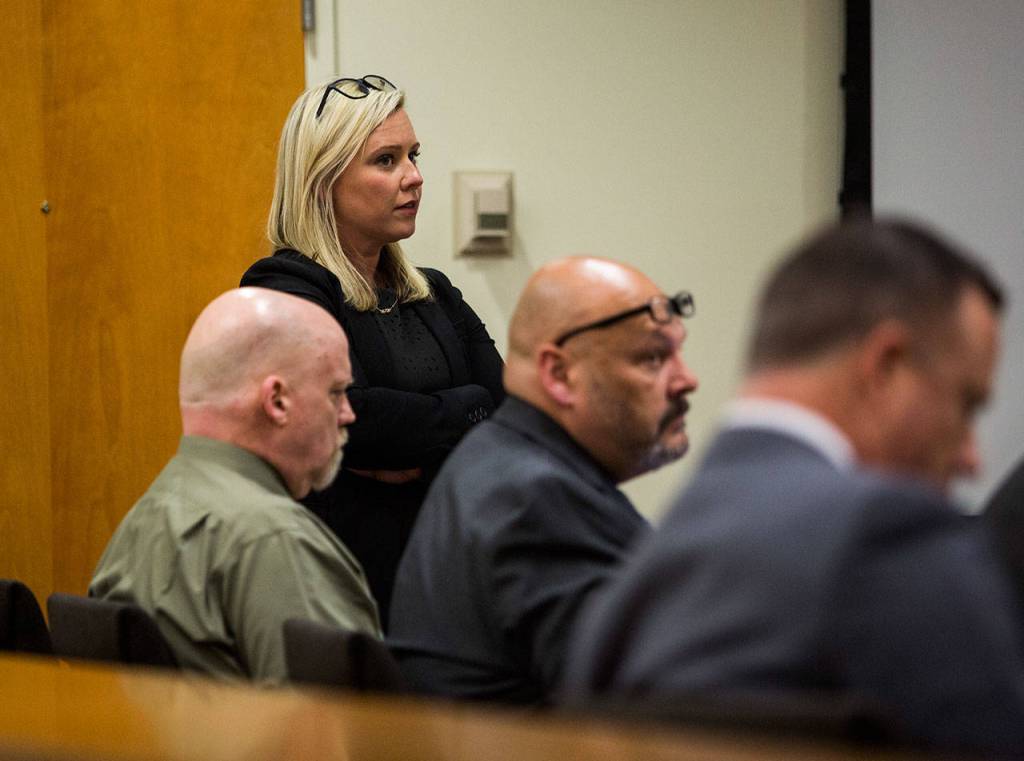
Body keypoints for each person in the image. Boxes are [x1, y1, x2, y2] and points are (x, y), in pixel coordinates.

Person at [563, 218, 1024, 754]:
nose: (972, 456)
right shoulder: (896, 539)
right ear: (887, 366)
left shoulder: (628, 600)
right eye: (964, 404)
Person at [240, 75, 504, 625]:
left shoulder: (432, 291)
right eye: (386, 160)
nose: (415, 177)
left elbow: (508, 410)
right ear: (322, 181)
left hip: (451, 566)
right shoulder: (284, 286)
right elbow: (355, 421)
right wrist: (462, 410)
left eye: (413, 155)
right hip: (351, 584)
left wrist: (413, 440)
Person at [388, 256, 699, 704]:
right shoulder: (536, 499)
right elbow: (651, 707)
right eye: (653, 359)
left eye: (678, 353)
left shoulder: (497, 459)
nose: (686, 380)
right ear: (559, 373)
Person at [90, 288, 380, 682]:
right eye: (335, 392)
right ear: (276, 401)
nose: (348, 414)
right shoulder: (274, 539)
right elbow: (346, 731)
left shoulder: (143, 518)